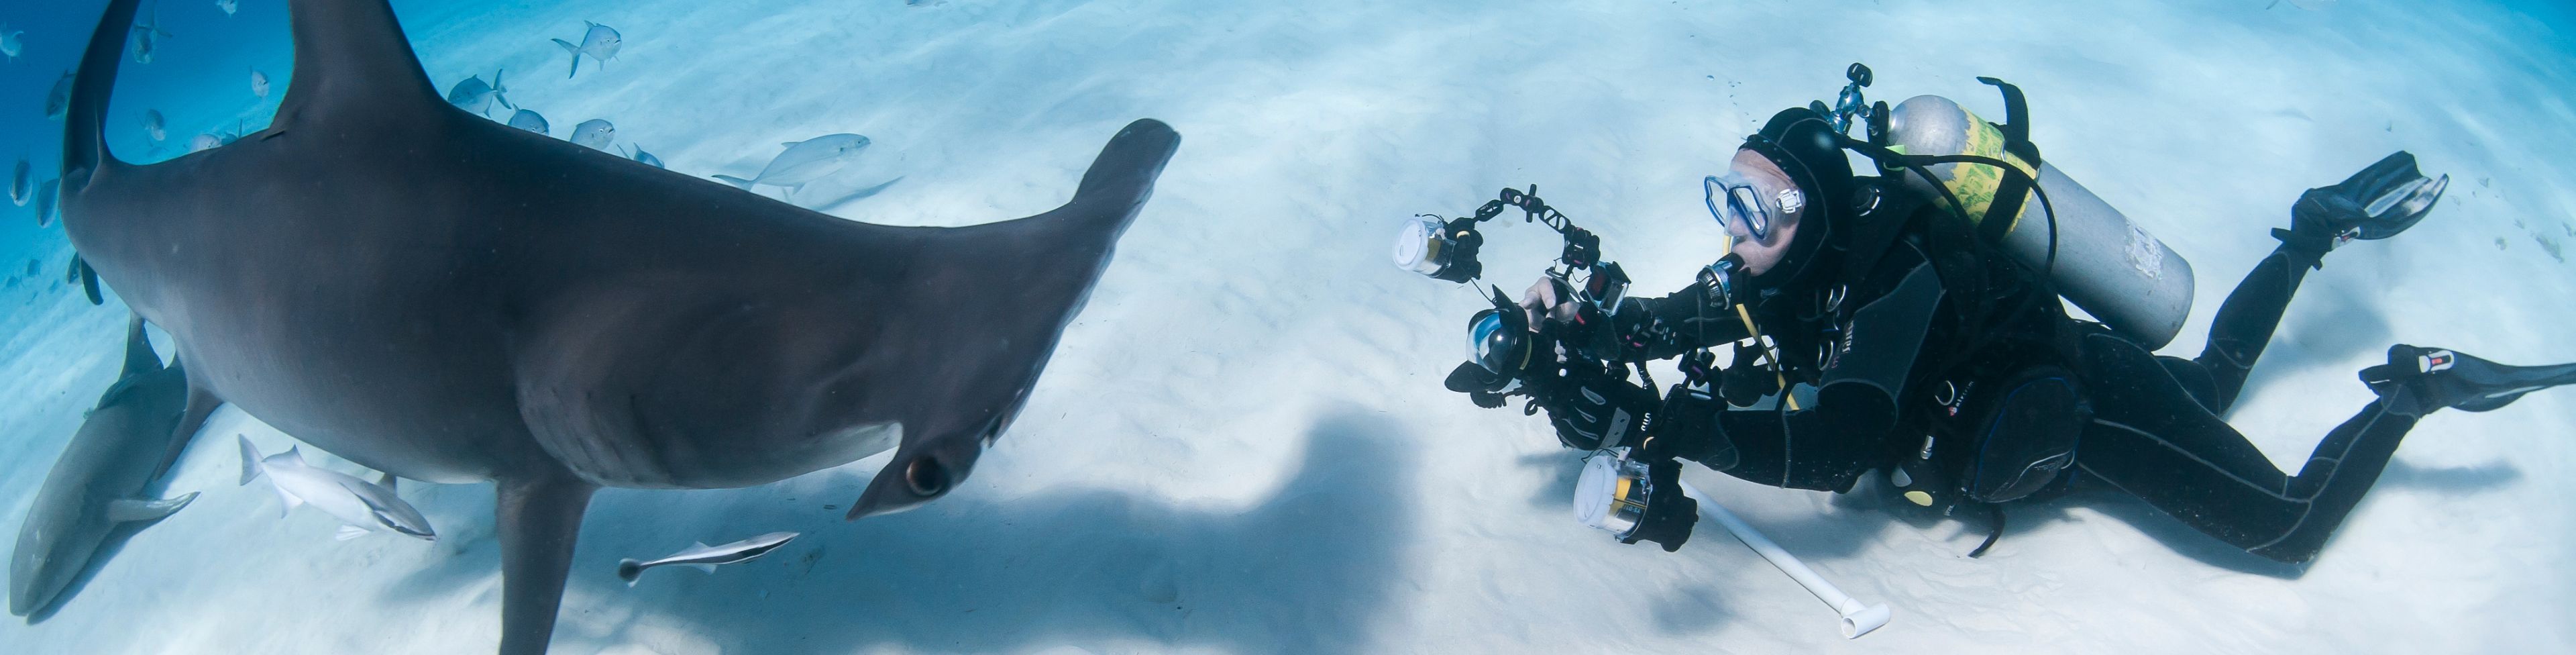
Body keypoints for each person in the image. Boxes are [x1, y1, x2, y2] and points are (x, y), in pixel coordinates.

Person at [1455, 105, 2576, 563]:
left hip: (2071, 414)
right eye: (1727, 200)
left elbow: (1840, 447)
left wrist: (1684, 427)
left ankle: (2415, 387)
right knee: (2209, 382)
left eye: (1760, 207)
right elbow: (1674, 319)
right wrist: (1579, 332)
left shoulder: (1892, 280)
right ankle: (2312, 232)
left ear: (1821, 210)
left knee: (2282, 529)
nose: (1737, 229)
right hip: (2052, 381)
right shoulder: (1786, 268)